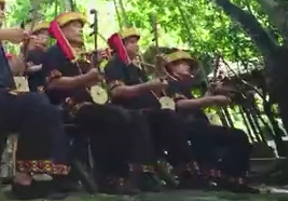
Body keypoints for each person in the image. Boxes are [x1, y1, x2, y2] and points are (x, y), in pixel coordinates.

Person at [0, 0, 71, 200]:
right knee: (36, 101)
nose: (2, 11)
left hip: (3, 97)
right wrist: (8, 33)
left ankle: (48, 174)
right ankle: (23, 177)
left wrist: (25, 51)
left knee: (47, 108)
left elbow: (14, 70)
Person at [42, 13, 159, 194]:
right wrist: (85, 78)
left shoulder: (83, 57)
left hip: (93, 104)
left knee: (135, 117)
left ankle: (139, 175)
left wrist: (93, 72)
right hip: (69, 106)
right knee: (114, 116)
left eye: (81, 26)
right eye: (75, 26)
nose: (80, 30)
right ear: (61, 30)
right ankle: (108, 177)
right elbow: (53, 83)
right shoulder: (53, 53)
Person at [105, 28, 207, 190]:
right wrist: (148, 85)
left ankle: (186, 172)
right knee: (142, 118)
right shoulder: (114, 64)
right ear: (120, 46)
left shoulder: (137, 69)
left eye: (136, 42)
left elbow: (155, 92)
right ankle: (144, 174)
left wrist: (158, 78)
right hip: (129, 111)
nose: (137, 46)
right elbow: (117, 91)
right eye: (131, 42)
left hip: (151, 111)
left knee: (171, 117)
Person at [162, 49, 258, 193]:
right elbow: (180, 104)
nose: (187, 66)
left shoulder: (184, 87)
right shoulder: (170, 83)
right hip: (184, 127)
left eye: (189, 63)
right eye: (183, 63)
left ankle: (231, 177)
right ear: (172, 67)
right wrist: (212, 99)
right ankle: (208, 175)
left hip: (198, 125)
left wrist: (209, 93)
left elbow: (195, 105)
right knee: (201, 130)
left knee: (238, 136)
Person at [23, 21, 49, 93]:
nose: (46, 36)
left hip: (45, 84)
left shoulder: (46, 51)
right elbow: (27, 69)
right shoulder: (31, 50)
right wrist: (41, 66)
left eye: (47, 34)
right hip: (33, 85)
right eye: (43, 34)